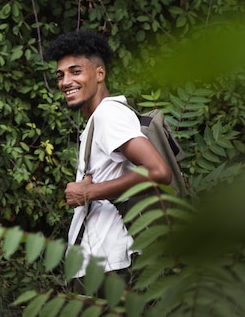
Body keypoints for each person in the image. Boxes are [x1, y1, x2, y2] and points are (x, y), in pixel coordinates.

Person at [44, 30, 172, 294]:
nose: (65, 81)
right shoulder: (99, 119)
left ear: (99, 74)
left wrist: (88, 192)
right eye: (61, 75)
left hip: (109, 266)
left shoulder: (108, 116)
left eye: (75, 71)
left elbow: (159, 171)